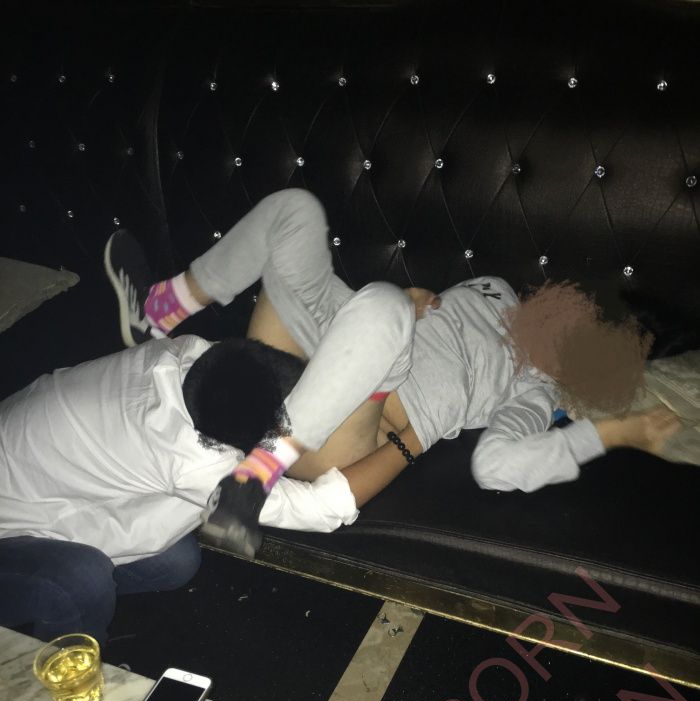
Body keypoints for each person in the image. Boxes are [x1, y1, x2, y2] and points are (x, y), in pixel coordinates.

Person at [105, 188, 682, 555]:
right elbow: (382, 322)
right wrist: (404, 305)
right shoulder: (497, 289)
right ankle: (161, 310)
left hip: (351, 424)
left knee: (385, 306)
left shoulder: (534, 389)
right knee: (297, 212)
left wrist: (611, 434)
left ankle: (256, 476)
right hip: (327, 348)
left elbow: (497, 468)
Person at [0, 334, 363, 645]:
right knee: (82, 580)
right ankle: (71, 668)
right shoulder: (190, 459)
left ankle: (73, 602)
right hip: (9, 528)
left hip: (38, 488)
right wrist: (399, 442)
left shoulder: (190, 353)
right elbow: (323, 508)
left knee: (177, 563)